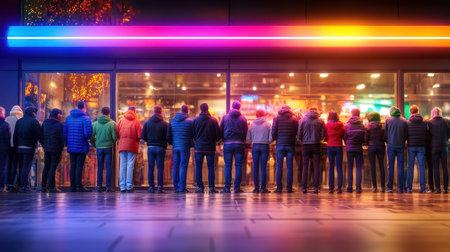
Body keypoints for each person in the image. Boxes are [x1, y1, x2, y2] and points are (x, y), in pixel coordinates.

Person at [220, 101, 248, 194]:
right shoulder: (243, 119)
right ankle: (236, 188)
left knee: (228, 165)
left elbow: (220, 130)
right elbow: (245, 132)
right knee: (238, 166)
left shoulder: (225, 117)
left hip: (227, 144)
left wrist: (223, 139)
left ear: (232, 107)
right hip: (239, 144)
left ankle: (227, 188)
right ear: (239, 107)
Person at [192, 103, 221, 194]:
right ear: (207, 109)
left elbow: (192, 134)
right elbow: (218, 135)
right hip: (210, 147)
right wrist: (214, 140)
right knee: (211, 167)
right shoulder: (213, 121)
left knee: (198, 167)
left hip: (199, 147)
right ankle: (211, 187)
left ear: (200, 109)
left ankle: (200, 187)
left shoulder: (195, 120)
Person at [64, 101, 92, 192]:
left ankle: (72, 186)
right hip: (81, 145)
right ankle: (78, 186)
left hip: (71, 146)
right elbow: (87, 134)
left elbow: (65, 132)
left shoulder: (68, 118)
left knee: (73, 165)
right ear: (84, 107)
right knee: (79, 166)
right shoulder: (85, 118)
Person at [167, 105, 194, 193]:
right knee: (183, 166)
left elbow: (169, 135)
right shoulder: (190, 122)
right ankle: (182, 187)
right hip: (185, 146)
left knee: (175, 166)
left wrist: (173, 143)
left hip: (175, 147)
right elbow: (193, 134)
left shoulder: (173, 121)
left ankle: (176, 187)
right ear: (187, 111)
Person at [14, 106, 41, 193]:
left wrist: (16, 145)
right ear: (32, 113)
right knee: (26, 167)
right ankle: (24, 186)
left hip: (19, 147)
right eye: (34, 113)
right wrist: (37, 143)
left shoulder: (19, 121)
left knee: (21, 166)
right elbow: (38, 134)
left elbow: (15, 135)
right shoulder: (34, 122)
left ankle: (21, 185)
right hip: (29, 147)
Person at [272, 105, 298, 193]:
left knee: (279, 166)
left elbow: (273, 131)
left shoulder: (277, 118)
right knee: (289, 166)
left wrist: (276, 139)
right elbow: (296, 132)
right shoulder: (294, 119)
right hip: (290, 144)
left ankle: (279, 188)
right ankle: (289, 188)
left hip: (280, 144)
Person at [142, 106, 168, 193]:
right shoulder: (165, 124)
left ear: (153, 112)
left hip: (151, 147)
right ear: (161, 112)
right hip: (161, 147)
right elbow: (167, 137)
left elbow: (143, 137)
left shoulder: (147, 122)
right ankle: (160, 187)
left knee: (151, 167)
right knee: (160, 168)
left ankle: (151, 187)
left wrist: (149, 140)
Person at [91, 107, 117, 192]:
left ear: (101, 113)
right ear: (109, 113)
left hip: (99, 148)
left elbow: (91, 137)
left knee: (100, 167)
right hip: (108, 147)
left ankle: (99, 186)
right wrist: (113, 143)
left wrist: (95, 144)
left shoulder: (95, 123)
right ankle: (108, 187)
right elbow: (114, 137)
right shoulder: (112, 123)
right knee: (108, 167)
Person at [298, 107, 323, 194]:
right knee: (316, 167)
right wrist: (318, 139)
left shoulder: (303, 119)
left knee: (305, 166)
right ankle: (316, 187)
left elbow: (299, 133)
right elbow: (323, 134)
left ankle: (304, 188)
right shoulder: (320, 120)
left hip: (306, 145)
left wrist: (303, 140)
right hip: (316, 145)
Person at [117, 106, 142, 193]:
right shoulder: (136, 122)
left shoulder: (120, 121)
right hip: (132, 146)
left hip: (122, 146)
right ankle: (129, 186)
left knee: (122, 165)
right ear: (134, 112)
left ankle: (122, 186)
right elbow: (140, 135)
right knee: (130, 165)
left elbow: (116, 133)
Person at [246, 110, 272, 193]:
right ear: (263, 115)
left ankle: (256, 188)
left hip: (255, 146)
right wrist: (267, 141)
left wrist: (253, 140)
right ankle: (263, 188)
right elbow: (271, 138)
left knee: (255, 167)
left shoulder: (252, 125)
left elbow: (248, 139)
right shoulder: (268, 124)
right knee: (263, 167)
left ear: (256, 115)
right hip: (265, 146)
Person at [40, 108, 64, 193]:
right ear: (57, 115)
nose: (61, 116)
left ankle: (43, 186)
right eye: (61, 114)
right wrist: (61, 148)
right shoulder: (59, 125)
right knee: (52, 168)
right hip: (56, 149)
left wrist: (44, 145)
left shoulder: (45, 123)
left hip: (47, 149)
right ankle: (51, 187)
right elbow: (62, 139)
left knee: (46, 167)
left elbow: (41, 136)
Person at [385, 106, 408, 193]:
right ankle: (400, 187)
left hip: (391, 146)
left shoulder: (388, 120)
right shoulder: (404, 120)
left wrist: (387, 141)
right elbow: (406, 134)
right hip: (401, 146)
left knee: (390, 167)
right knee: (401, 167)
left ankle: (390, 188)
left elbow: (385, 134)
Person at [406, 105, 428, 193]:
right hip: (421, 146)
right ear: (418, 111)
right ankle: (423, 188)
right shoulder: (424, 122)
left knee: (410, 167)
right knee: (421, 167)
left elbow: (406, 134)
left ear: (410, 112)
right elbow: (426, 135)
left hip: (411, 146)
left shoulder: (407, 123)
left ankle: (409, 188)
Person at [344, 108, 366, 193]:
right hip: (358, 148)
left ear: (352, 114)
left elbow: (345, 137)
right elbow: (364, 138)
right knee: (358, 168)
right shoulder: (361, 125)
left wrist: (348, 143)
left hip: (349, 148)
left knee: (349, 168)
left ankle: (349, 187)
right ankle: (358, 188)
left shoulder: (348, 125)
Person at [428, 107, 449, 194]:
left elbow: (428, 136)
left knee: (435, 167)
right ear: (440, 113)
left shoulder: (429, 122)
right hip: (444, 146)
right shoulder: (446, 121)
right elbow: (449, 133)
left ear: (433, 113)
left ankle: (438, 188)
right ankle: (445, 188)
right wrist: (446, 139)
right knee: (445, 167)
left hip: (434, 147)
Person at [324, 111, 344, 194]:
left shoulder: (326, 125)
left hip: (330, 146)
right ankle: (339, 188)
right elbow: (344, 135)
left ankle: (331, 188)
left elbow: (325, 136)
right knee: (339, 167)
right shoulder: (341, 125)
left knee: (331, 167)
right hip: (339, 146)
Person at [365, 112, 386, 193]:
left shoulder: (368, 127)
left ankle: (374, 187)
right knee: (381, 167)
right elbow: (385, 137)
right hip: (381, 146)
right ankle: (383, 187)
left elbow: (366, 139)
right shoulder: (382, 126)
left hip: (371, 147)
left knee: (373, 167)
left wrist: (367, 143)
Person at [5, 105, 23, 192]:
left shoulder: (7, 119)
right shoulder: (19, 119)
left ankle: (6, 183)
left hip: (7, 145)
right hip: (16, 145)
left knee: (8, 164)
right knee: (15, 165)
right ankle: (12, 183)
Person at [0, 107, 11, 192]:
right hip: (3, 149)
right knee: (2, 168)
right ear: (2, 113)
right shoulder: (5, 124)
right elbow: (8, 137)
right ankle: (1, 187)